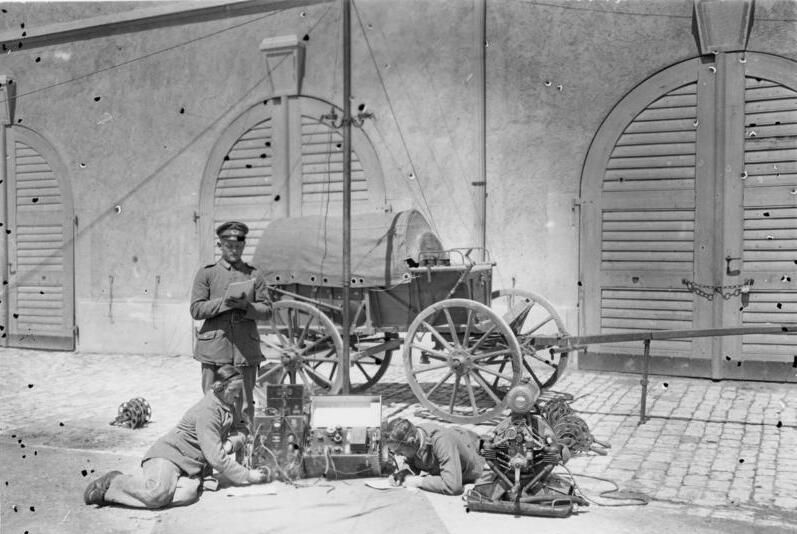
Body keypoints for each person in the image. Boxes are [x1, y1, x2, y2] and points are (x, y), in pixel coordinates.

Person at [83, 365, 269, 508]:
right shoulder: (209, 410)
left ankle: (148, 488)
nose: (238, 396)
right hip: (169, 456)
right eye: (234, 391)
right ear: (220, 388)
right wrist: (247, 476)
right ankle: (114, 484)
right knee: (157, 494)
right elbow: (217, 459)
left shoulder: (228, 403)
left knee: (186, 496)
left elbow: (242, 429)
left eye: (239, 391)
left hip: (190, 465)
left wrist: (230, 443)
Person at [190, 221, 272, 428]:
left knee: (244, 409)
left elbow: (267, 310)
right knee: (213, 405)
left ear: (243, 246)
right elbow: (196, 310)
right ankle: (212, 453)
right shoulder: (206, 274)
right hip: (215, 351)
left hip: (245, 351)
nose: (234, 250)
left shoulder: (254, 275)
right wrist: (223, 304)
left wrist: (247, 306)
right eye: (229, 246)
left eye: (238, 246)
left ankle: (244, 455)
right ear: (220, 245)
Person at [384, 418, 485, 495]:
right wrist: (404, 473)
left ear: (412, 441)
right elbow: (412, 461)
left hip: (478, 461)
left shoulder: (441, 440)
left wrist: (418, 481)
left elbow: (452, 486)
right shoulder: (416, 436)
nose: (397, 455)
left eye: (399, 451)